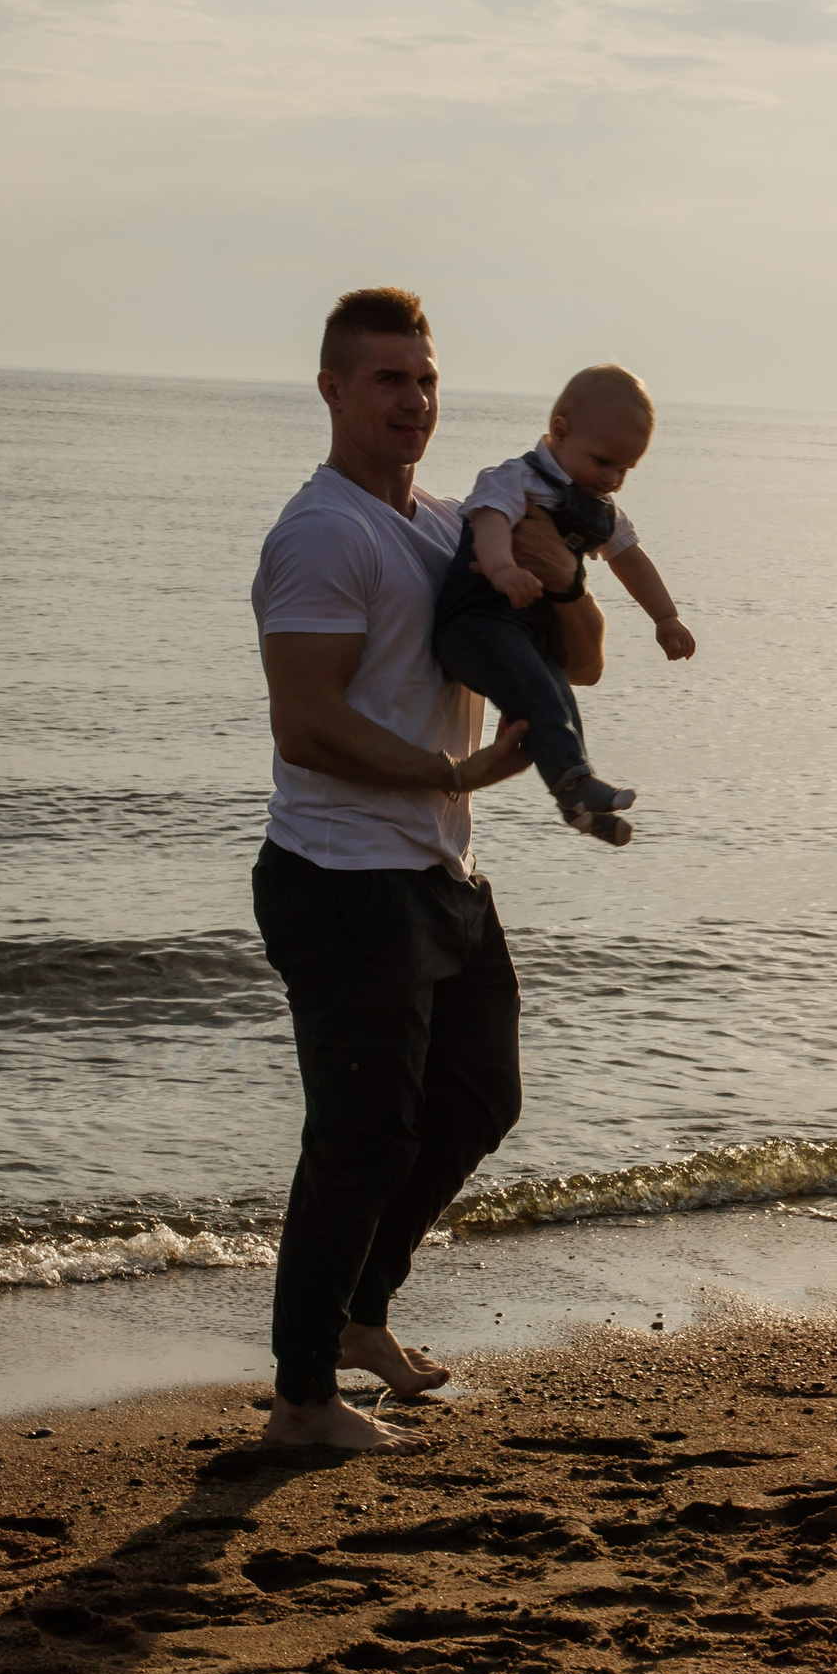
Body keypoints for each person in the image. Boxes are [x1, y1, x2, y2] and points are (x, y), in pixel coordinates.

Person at [247, 286, 607, 1453]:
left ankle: (359, 1317)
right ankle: (302, 1400)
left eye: (426, 378)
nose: (414, 400)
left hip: (436, 871)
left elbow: (583, 665)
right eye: (389, 379)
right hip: (341, 873)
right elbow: (305, 726)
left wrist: (561, 579)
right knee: (359, 1135)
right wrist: (451, 776)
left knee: (475, 1102)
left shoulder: (458, 525)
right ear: (334, 390)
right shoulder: (322, 533)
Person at [435, 364, 695, 847]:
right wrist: (502, 569)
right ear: (559, 431)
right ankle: (575, 782)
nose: (613, 478)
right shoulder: (515, 479)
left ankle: (576, 805)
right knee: (539, 690)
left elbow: (629, 557)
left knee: (558, 698)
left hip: (523, 632)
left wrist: (666, 616)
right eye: (603, 462)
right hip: (474, 624)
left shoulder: (596, 506)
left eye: (625, 469)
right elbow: (490, 523)